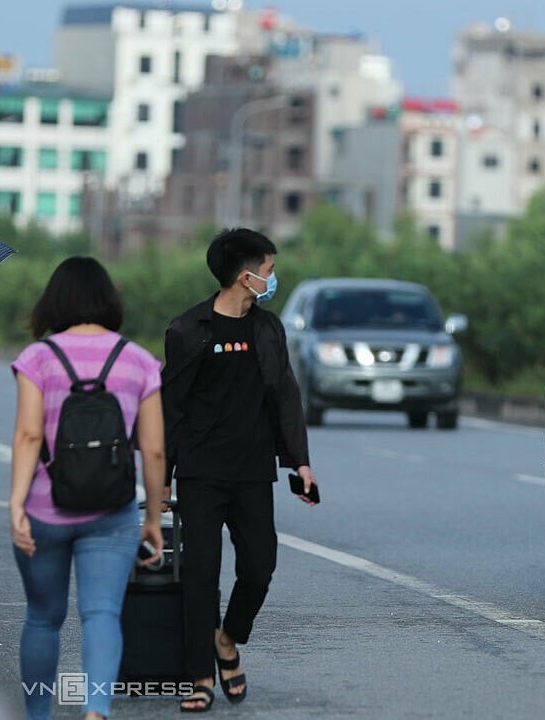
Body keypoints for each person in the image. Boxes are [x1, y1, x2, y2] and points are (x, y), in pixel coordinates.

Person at [162, 228, 318, 712]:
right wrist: (159, 479)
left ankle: (227, 639)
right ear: (244, 276)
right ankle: (199, 678)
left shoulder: (268, 330)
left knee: (259, 566)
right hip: (201, 473)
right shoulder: (187, 331)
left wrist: (301, 462)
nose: (273, 279)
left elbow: (286, 395)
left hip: (252, 472)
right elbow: (171, 410)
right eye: (268, 270)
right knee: (201, 576)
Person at [10, 257, 166, 720]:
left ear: (54, 300)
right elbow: (154, 451)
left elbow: (29, 436)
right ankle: (95, 710)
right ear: (108, 301)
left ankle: (39, 715)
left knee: (42, 617)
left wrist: (16, 505)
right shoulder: (137, 359)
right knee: (101, 615)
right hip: (111, 512)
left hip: (44, 510)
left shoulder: (38, 357)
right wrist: (153, 518)